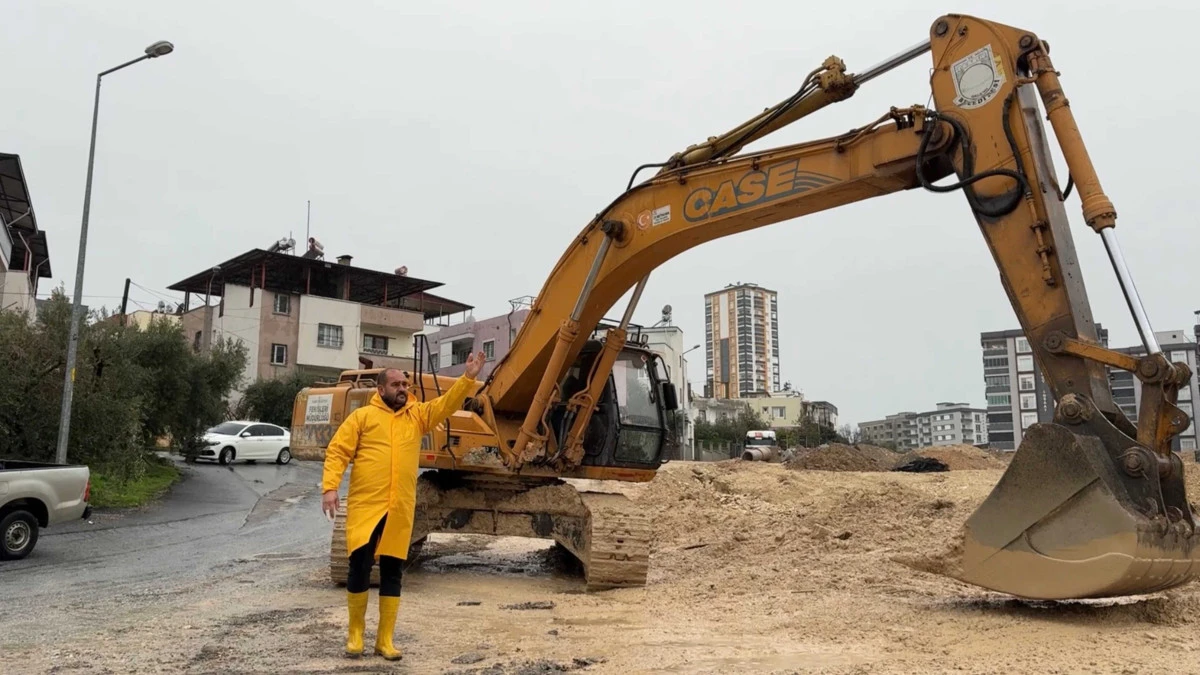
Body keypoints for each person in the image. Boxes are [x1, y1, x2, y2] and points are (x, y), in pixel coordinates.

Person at [321, 351, 485, 660]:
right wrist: (330, 487)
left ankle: (385, 640)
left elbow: (446, 404)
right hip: (367, 506)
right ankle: (355, 635)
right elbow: (338, 451)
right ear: (381, 389)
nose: (402, 389)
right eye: (396, 384)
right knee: (359, 568)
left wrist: (468, 378)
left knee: (393, 571)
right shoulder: (362, 417)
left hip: (398, 508)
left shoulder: (417, 416)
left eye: (405, 385)